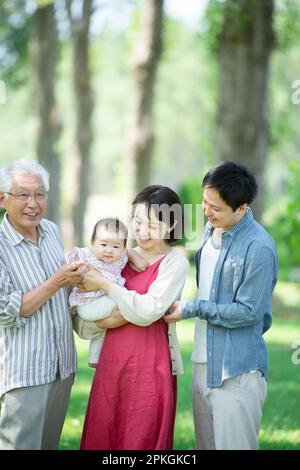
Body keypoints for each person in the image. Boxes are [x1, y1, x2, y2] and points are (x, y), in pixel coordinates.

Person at [164, 161, 278, 450]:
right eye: (205, 203)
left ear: (242, 209)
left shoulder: (259, 248)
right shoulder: (210, 229)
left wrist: (193, 308)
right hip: (203, 364)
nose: (207, 211)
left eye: (216, 208)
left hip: (236, 371)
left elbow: (249, 312)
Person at [79, 185, 190, 450]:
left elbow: (149, 311)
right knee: (105, 433)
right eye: (137, 222)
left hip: (150, 366)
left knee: (142, 435)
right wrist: (103, 321)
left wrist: (107, 287)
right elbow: (81, 307)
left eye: (152, 225)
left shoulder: (174, 263)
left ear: (171, 227)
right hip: (111, 363)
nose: (141, 231)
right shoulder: (116, 255)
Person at [0, 159, 85, 450]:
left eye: (40, 194)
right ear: (2, 199)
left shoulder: (50, 231)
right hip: (25, 372)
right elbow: (7, 311)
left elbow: (64, 294)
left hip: (62, 366)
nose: (33, 204)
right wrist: (56, 282)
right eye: (23, 195)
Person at [69, 217, 147, 367]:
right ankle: (140, 304)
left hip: (100, 302)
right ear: (92, 243)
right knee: (125, 302)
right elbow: (71, 265)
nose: (109, 250)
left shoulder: (121, 257)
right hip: (88, 303)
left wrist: (134, 255)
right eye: (103, 244)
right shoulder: (86, 256)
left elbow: (129, 253)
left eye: (116, 247)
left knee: (104, 329)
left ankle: (94, 359)